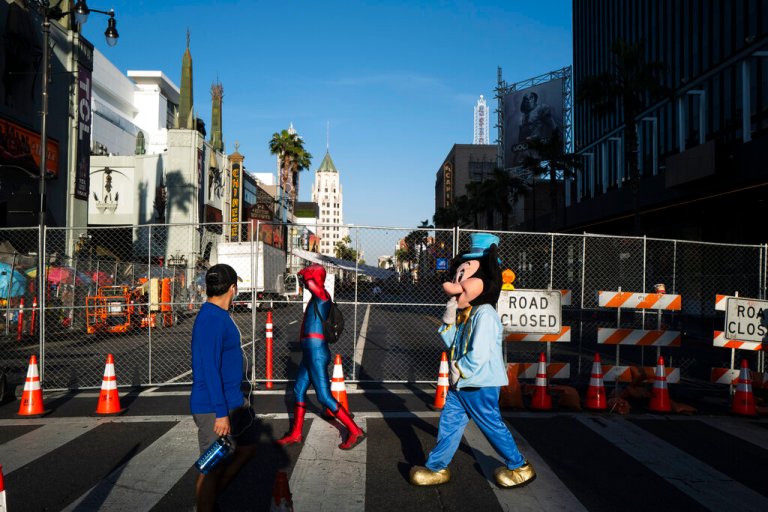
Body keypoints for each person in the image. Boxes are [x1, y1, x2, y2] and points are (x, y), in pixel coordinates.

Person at [410, 233, 536, 489]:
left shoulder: (486, 314)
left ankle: (520, 466)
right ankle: (436, 468)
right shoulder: (469, 313)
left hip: (479, 384)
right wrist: (448, 321)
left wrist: (459, 369)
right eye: (458, 277)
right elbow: (454, 344)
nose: (456, 284)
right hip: (463, 385)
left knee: (491, 426)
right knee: (450, 425)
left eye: (464, 278)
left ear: (486, 281)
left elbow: (479, 353)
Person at [190, 263, 258, 511]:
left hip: (234, 400)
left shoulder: (219, 315)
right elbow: (209, 368)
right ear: (232, 287)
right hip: (213, 406)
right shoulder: (210, 319)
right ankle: (206, 505)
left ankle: (210, 498)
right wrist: (220, 413)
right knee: (211, 469)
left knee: (248, 446)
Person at [276, 263, 365, 450]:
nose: (305, 281)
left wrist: (306, 274)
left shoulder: (323, 296)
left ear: (315, 278)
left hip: (316, 353)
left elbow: (311, 283)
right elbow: (309, 283)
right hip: (310, 353)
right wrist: (305, 275)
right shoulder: (315, 299)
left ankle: (355, 430)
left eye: (308, 277)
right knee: (298, 391)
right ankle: (296, 433)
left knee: (324, 396)